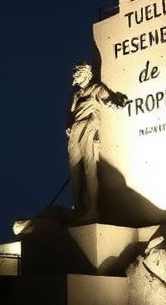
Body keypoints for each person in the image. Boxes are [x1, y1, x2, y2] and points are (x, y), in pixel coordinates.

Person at [66, 61, 128, 222]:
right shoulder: (76, 95)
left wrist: (118, 102)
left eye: (77, 72)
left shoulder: (96, 89)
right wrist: (68, 126)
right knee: (74, 173)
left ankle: (93, 210)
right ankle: (78, 209)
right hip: (75, 132)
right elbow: (71, 114)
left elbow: (110, 102)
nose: (74, 75)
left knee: (89, 170)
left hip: (89, 127)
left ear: (86, 73)